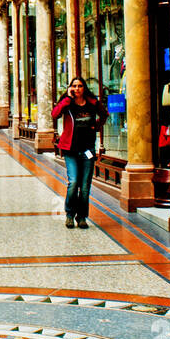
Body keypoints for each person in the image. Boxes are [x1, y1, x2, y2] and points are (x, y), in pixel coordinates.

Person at [51, 75, 107, 230]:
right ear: (71, 88)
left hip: (88, 148)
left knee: (85, 186)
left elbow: (104, 114)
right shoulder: (68, 103)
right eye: (74, 86)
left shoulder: (92, 103)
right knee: (74, 182)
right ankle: (69, 214)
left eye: (80, 86)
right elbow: (55, 114)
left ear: (84, 88)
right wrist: (67, 99)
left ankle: (82, 217)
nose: (77, 89)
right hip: (70, 149)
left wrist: (96, 126)